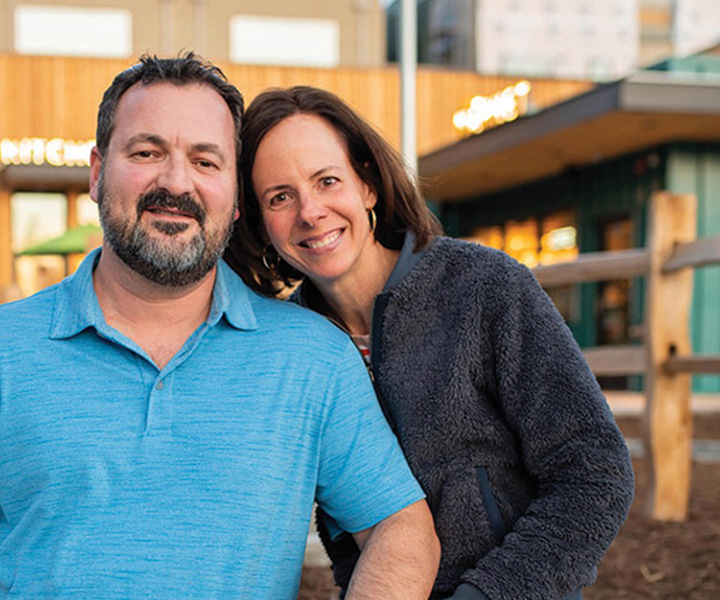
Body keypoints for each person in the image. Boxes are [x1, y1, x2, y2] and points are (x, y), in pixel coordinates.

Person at [0, 55, 440, 600]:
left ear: (235, 197)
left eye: (206, 160)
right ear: (98, 173)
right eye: (147, 152)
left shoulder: (313, 359)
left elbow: (401, 529)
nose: (177, 182)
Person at [225, 86, 635, 600]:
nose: (311, 212)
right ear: (261, 224)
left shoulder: (484, 288)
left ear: (368, 185)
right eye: (279, 197)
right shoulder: (285, 348)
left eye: (327, 180)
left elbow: (596, 472)